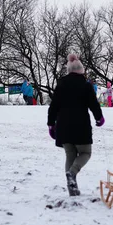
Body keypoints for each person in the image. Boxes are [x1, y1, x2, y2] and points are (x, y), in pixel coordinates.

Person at [47, 54, 104, 197]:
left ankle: (72, 188)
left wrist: (51, 124)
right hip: (81, 126)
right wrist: (99, 118)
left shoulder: (61, 85)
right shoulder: (86, 85)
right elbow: (93, 104)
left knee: (70, 155)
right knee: (85, 153)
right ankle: (72, 174)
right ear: (81, 71)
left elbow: (53, 106)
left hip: (63, 126)